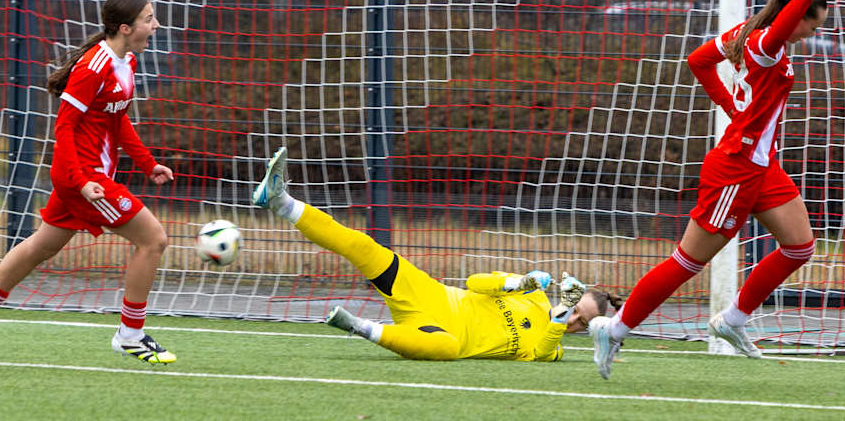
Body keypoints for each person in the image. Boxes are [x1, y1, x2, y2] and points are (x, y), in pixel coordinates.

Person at [589, 0, 839, 379]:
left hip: (762, 166)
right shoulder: (765, 41)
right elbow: (772, 33)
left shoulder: (748, 33)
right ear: (795, 17)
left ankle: (733, 321)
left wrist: (730, 106)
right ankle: (614, 328)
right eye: (811, 26)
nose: (809, 35)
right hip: (735, 169)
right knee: (687, 262)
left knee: (799, 246)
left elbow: (699, 60)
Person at [0, 0, 176, 364]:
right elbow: (65, 127)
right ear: (125, 28)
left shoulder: (128, 61)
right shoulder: (94, 67)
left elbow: (117, 119)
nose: (156, 25)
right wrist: (80, 181)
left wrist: (146, 162)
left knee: (43, 246)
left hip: (87, 178)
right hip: (84, 180)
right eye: (149, 19)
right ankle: (130, 334)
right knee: (153, 240)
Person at [253, 147, 622, 361]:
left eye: (581, 323)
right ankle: (280, 200)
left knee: (447, 348)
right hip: (431, 295)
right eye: (576, 311)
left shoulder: (554, 349)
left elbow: (541, 350)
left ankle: (358, 326)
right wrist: (518, 282)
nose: (573, 320)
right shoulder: (535, 294)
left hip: (443, 334)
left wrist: (556, 324)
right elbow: (475, 283)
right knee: (366, 248)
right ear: (570, 296)